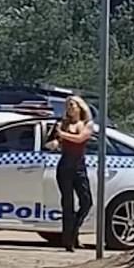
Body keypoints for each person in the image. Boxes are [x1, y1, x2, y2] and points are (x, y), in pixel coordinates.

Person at [49, 96, 94, 253]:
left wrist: (62, 134)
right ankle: (68, 241)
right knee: (67, 204)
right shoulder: (62, 124)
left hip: (79, 166)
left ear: (80, 107)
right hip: (65, 165)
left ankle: (73, 231)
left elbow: (81, 138)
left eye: (72, 105)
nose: (69, 108)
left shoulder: (87, 124)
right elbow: (51, 141)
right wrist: (55, 141)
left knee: (86, 201)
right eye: (67, 106)